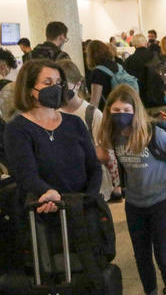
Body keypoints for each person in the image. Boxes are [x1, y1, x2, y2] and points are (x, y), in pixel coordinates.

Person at [96, 85, 166, 295]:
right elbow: (101, 154)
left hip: (162, 202)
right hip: (135, 204)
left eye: (126, 109)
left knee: (163, 255)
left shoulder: (154, 134)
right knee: (141, 255)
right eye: (116, 109)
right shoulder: (114, 134)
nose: (120, 114)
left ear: (135, 110)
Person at [4, 59, 102, 215]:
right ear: (29, 89)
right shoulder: (17, 129)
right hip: (44, 211)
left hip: (83, 209)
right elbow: (26, 175)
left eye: (58, 82)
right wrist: (52, 194)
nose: (54, 88)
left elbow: (94, 166)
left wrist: (88, 199)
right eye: (47, 82)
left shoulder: (74, 122)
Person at [57, 59, 122, 202]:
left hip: (94, 183)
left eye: (63, 84)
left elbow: (105, 153)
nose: (60, 89)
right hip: (68, 183)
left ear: (77, 84)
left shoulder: (92, 114)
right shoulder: (53, 112)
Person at [124, 34, 165, 110]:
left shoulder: (128, 61)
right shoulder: (155, 56)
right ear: (146, 42)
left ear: (134, 44)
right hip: (157, 96)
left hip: (139, 98)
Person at [86, 40, 120, 109]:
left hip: (107, 110)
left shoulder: (98, 72)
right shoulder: (116, 65)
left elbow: (95, 101)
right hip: (121, 105)